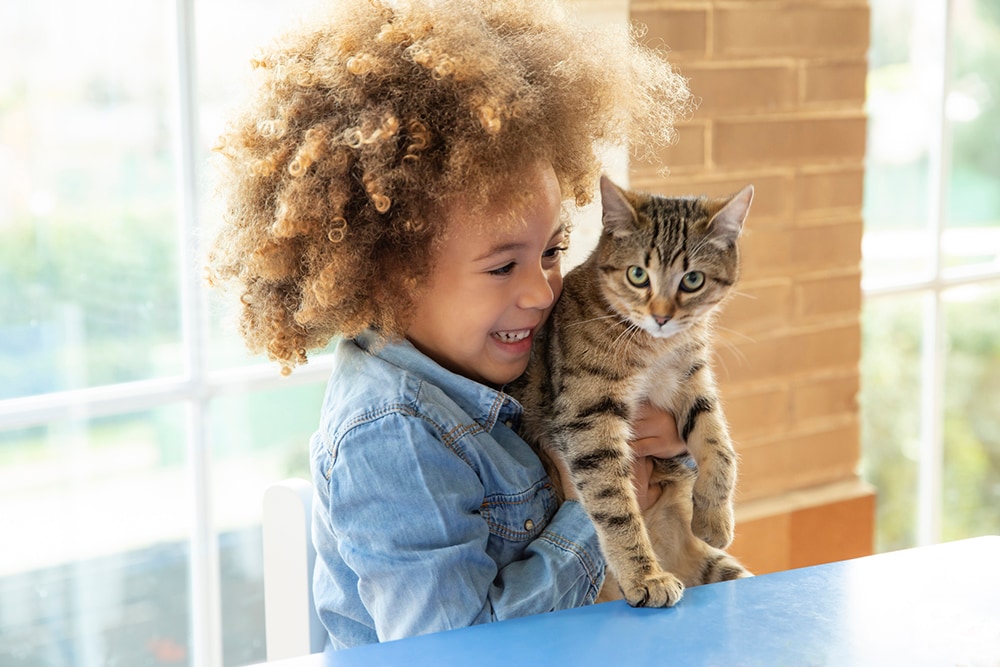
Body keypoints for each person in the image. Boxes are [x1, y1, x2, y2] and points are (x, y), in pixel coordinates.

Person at [207, 0, 693, 650]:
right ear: (390, 273)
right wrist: (594, 513)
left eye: (552, 250)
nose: (542, 290)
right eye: (501, 268)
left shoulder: (508, 355)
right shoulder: (392, 438)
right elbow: (456, 650)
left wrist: (663, 453)